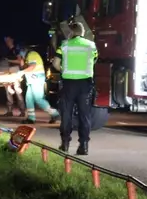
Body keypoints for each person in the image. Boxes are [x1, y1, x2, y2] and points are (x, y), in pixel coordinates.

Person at [52, 22, 98, 155]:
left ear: (71, 32)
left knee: (67, 114)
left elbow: (55, 63)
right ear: (83, 32)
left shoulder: (65, 45)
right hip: (85, 84)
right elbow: (94, 61)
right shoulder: (91, 46)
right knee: (85, 115)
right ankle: (83, 146)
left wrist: (63, 70)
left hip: (68, 84)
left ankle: (65, 143)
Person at [20, 46, 59, 124]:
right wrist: (22, 63)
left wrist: (21, 72)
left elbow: (32, 67)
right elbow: (26, 67)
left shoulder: (32, 54)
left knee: (38, 99)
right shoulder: (28, 56)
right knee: (29, 99)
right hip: (32, 80)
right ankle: (31, 118)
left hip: (37, 79)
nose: (21, 55)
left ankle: (55, 113)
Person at [3, 35, 26, 116]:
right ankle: (9, 111)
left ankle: (22, 111)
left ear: (12, 40)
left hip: (15, 72)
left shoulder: (16, 50)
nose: (6, 42)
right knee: (8, 91)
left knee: (17, 91)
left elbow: (20, 61)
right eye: (5, 40)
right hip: (8, 72)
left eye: (8, 40)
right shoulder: (8, 50)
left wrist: (8, 60)